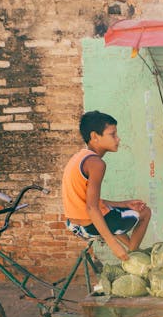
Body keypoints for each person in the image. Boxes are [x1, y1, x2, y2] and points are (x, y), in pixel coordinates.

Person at [62, 110, 151, 261]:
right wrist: (114, 245)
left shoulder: (80, 157)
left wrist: (125, 204)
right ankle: (132, 258)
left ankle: (132, 250)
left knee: (118, 213)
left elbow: (90, 200)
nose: (118, 139)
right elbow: (91, 208)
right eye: (112, 134)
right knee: (145, 212)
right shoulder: (96, 163)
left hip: (74, 223)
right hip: (89, 225)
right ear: (94, 136)